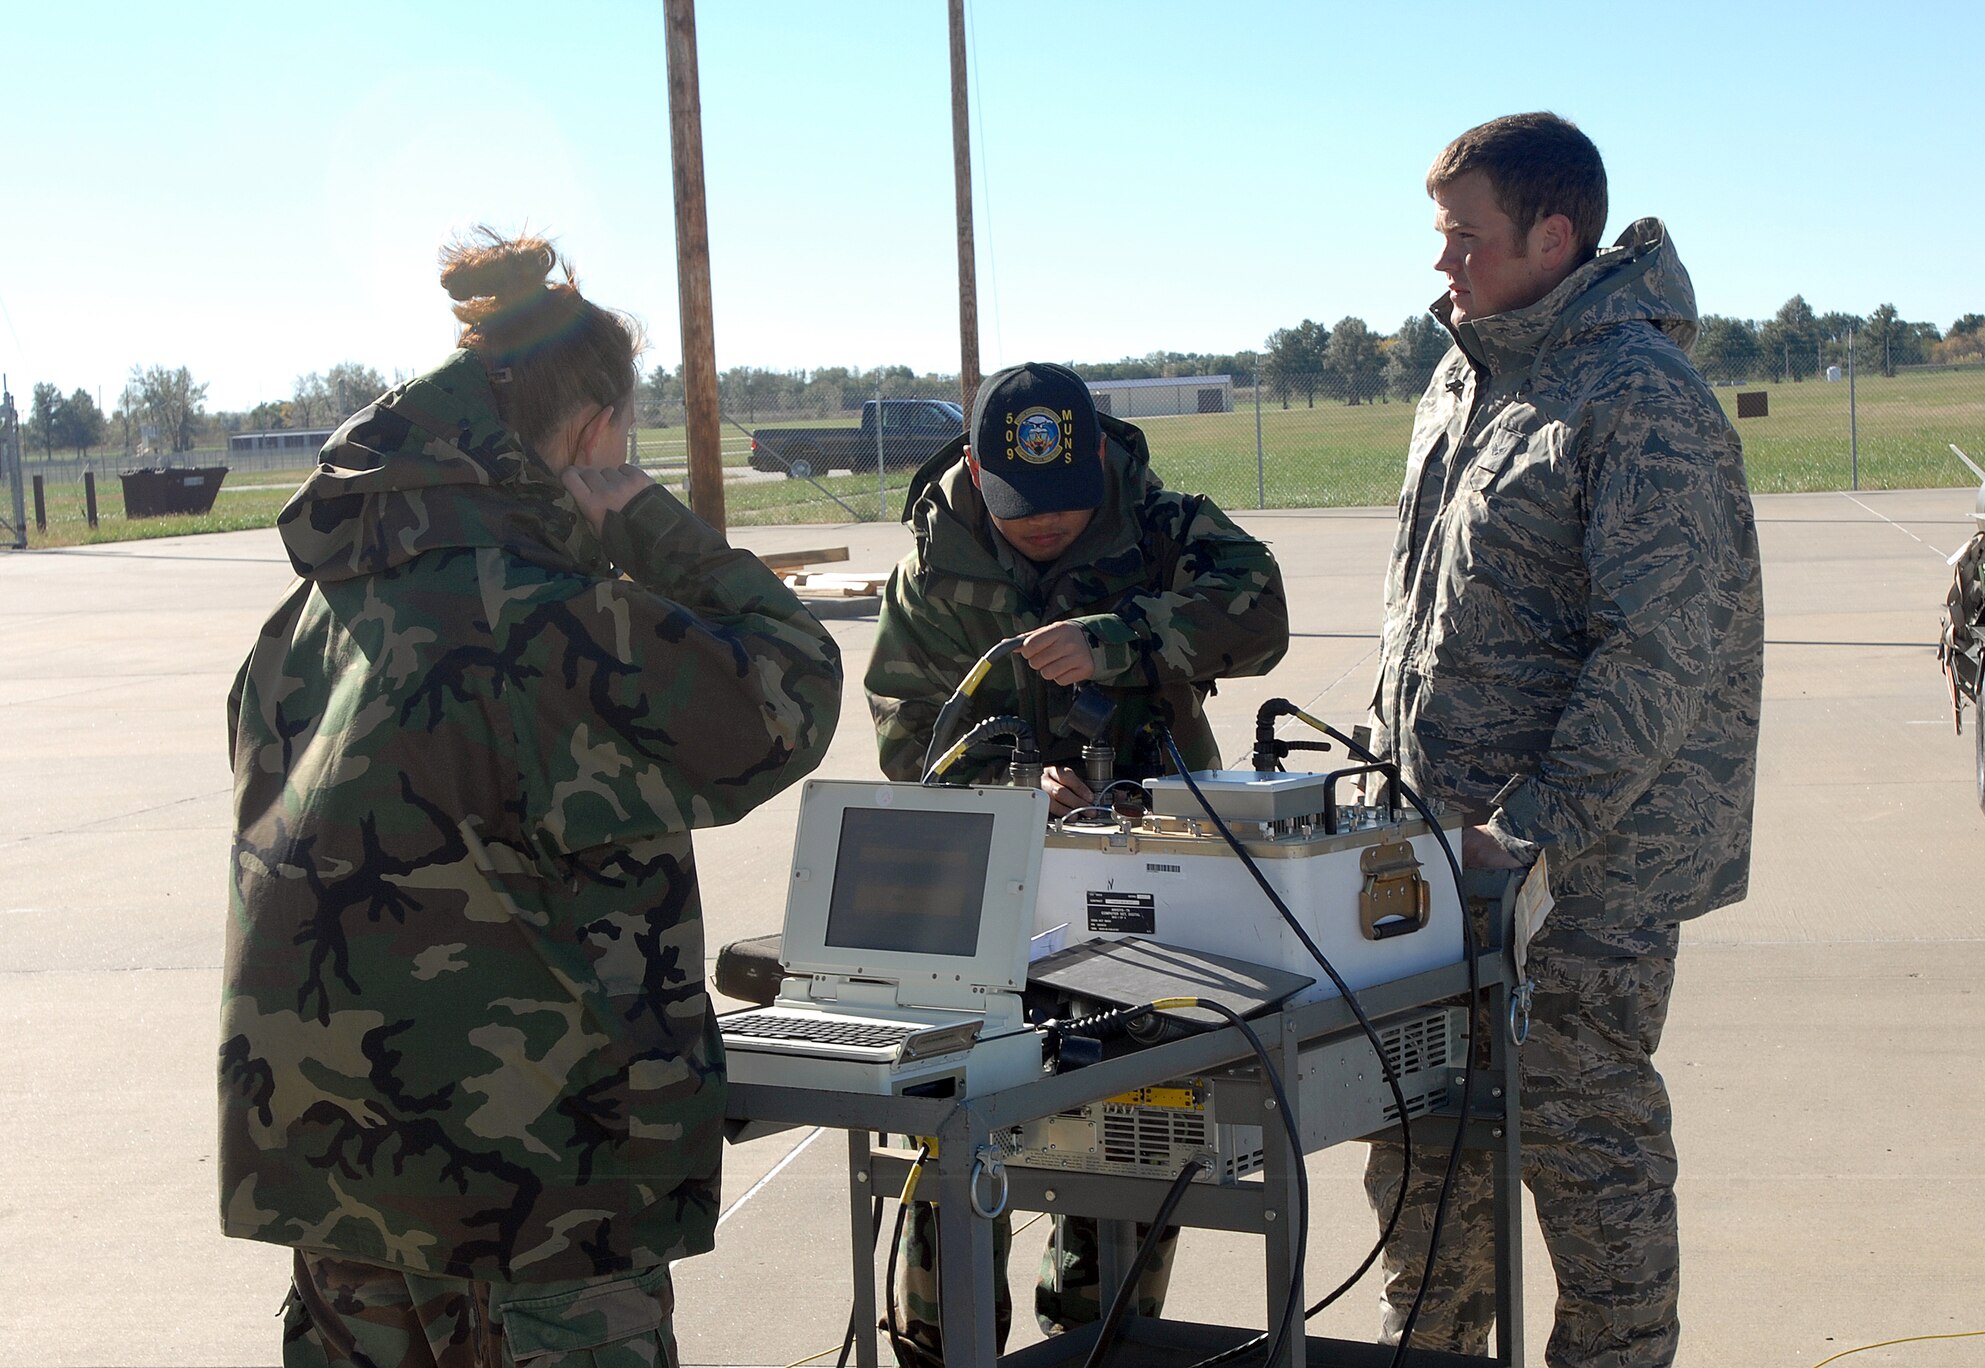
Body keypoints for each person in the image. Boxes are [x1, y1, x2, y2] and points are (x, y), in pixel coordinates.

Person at [219, 230, 842, 1368]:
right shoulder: (566, 622)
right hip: (544, 1202)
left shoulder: (305, 627)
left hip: (341, 1187)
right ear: (596, 428)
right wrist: (645, 518)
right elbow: (790, 690)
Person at [1368, 113, 1764, 1367]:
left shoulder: (1639, 398)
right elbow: (1424, 609)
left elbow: (1659, 651)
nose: (1444, 268)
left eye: (1464, 240)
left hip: (1577, 877)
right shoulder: (1466, 377)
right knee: (1425, 1160)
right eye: (1439, 240)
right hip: (1438, 860)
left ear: (1554, 235)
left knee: (1585, 1162)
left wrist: (1528, 833)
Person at [864, 361, 1289, 1366]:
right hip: (986, 889)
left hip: (1149, 876)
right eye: (1020, 511)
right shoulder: (935, 562)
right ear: (975, 469)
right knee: (954, 1129)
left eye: (1062, 507)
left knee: (1138, 1130)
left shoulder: (1161, 523)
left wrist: (1122, 638)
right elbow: (903, 729)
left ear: (1097, 460)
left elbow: (1258, 611)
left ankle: (1098, 1345)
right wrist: (1002, 789)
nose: (1044, 528)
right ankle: (944, 1347)